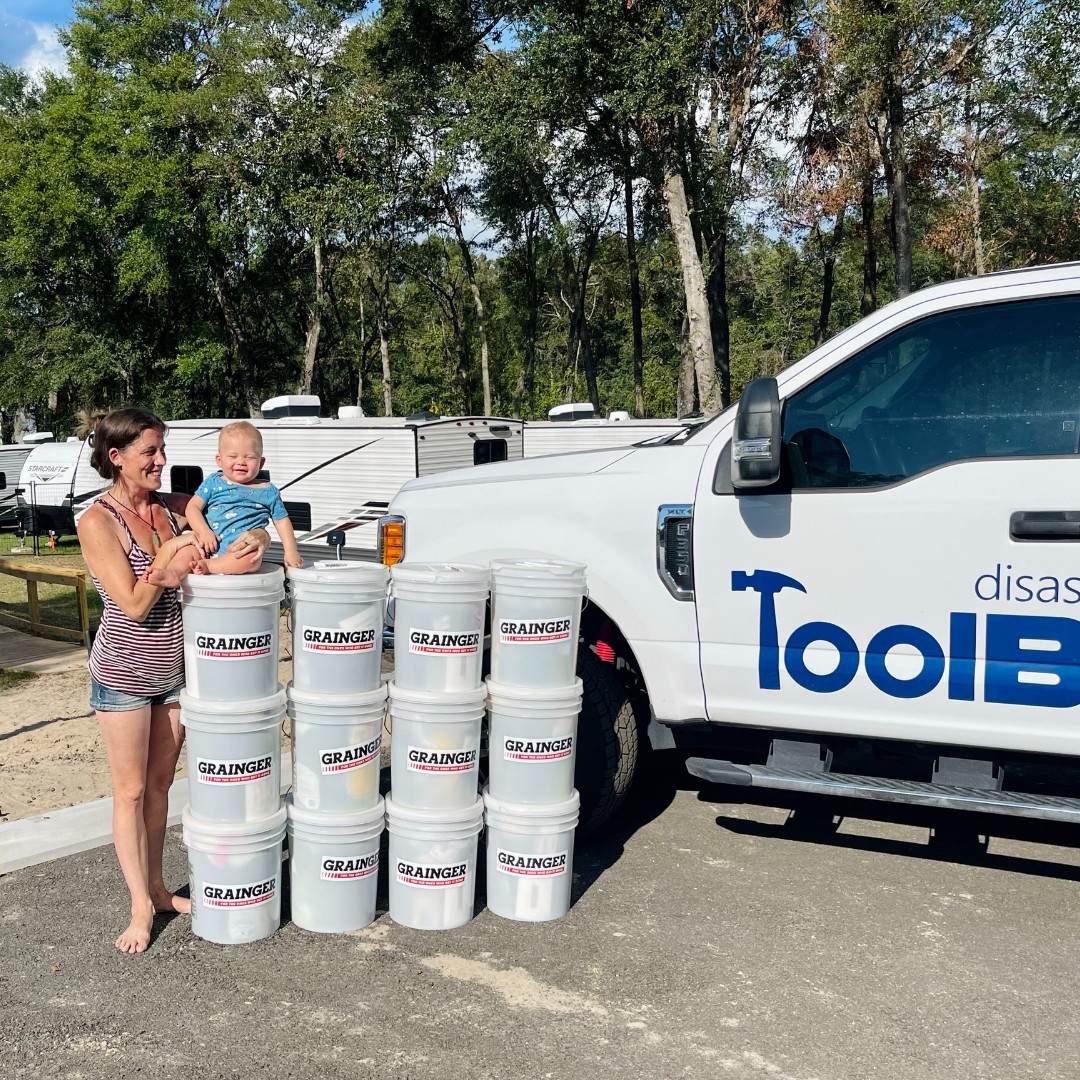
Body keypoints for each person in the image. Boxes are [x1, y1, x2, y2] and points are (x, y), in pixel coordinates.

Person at [77, 408, 269, 954]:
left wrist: (246, 545)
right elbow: (135, 604)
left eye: (162, 450)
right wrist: (168, 555)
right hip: (124, 675)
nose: (162, 462)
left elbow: (207, 557)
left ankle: (160, 889)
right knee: (131, 790)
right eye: (150, 454)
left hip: (176, 671)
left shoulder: (170, 509)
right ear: (116, 459)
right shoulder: (97, 523)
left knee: (160, 788)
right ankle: (140, 906)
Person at [185, 420, 303, 573]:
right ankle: (171, 573)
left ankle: (209, 566)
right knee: (185, 550)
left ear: (261, 463)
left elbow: (281, 521)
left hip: (240, 551)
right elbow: (192, 507)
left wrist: (291, 550)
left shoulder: (268, 491)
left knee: (252, 559)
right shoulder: (213, 482)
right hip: (207, 545)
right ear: (219, 460)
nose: (241, 462)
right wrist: (203, 531)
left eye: (250, 457)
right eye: (233, 456)